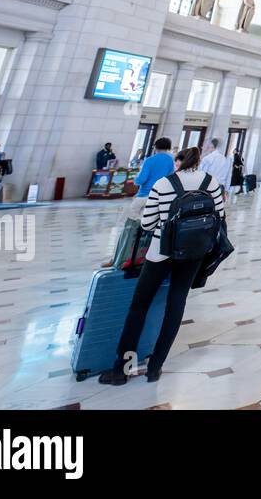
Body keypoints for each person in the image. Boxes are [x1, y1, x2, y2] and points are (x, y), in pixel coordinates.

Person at [99, 147, 225, 385]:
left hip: (160, 253)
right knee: (176, 306)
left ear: (178, 162)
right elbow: (219, 216)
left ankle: (121, 370)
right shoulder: (211, 183)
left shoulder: (164, 184)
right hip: (194, 254)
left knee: (139, 307)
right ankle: (155, 367)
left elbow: (147, 223)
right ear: (199, 163)